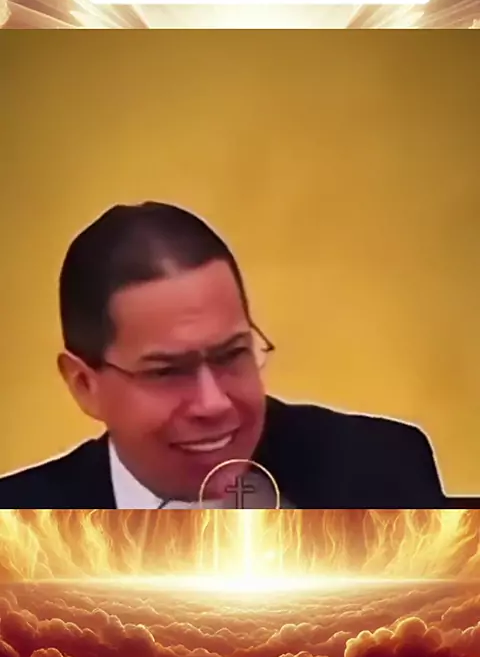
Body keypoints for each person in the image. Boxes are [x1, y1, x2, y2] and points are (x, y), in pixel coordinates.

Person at [0, 202, 446, 509]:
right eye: (167, 372)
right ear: (84, 385)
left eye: (232, 355)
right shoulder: (17, 530)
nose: (213, 404)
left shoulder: (381, 473)